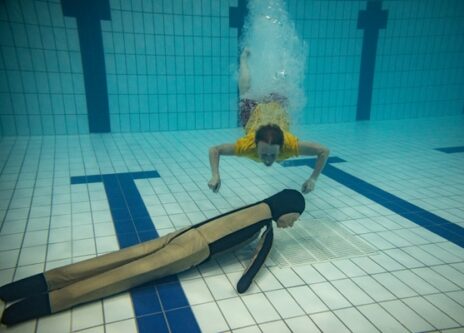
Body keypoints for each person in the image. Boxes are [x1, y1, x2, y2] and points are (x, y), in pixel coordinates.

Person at [0, 189, 305, 326]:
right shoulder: (267, 225)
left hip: (183, 233)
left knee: (112, 260)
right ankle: (36, 306)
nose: (293, 223)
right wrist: (244, 283)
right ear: (288, 208)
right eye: (296, 216)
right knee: (120, 276)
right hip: (192, 249)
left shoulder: (259, 206)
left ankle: (24, 287)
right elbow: (253, 269)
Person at [208, 48, 329, 194]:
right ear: (256, 145)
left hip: (273, 108)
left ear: (281, 146)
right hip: (258, 113)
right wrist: (215, 175)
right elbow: (214, 150)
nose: (267, 160)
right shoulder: (248, 145)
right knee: (250, 91)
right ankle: (245, 59)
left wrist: (313, 179)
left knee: (249, 92)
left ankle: (282, 61)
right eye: (264, 154)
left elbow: (324, 151)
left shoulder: (290, 144)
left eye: (273, 155)